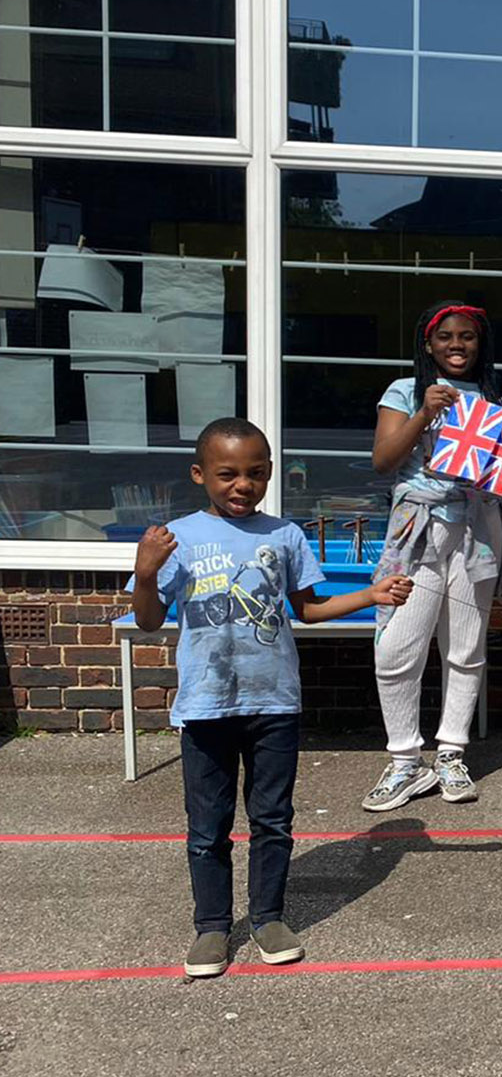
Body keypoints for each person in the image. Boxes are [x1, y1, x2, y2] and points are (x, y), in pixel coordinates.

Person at [129, 418, 412, 978]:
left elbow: (305, 610)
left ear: (269, 475)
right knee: (207, 827)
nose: (242, 485)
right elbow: (148, 620)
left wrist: (371, 595)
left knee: (273, 820)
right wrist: (144, 573)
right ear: (200, 475)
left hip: (274, 702)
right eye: (227, 474)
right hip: (207, 705)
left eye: (255, 474)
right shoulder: (178, 538)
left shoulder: (284, 535)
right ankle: (211, 927)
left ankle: (268, 917)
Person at [363, 302, 502, 812]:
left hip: (479, 531)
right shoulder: (405, 391)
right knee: (396, 645)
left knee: (465, 646)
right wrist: (424, 412)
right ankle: (405, 760)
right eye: (446, 337)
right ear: (428, 344)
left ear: (481, 345)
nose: (457, 345)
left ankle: (451, 752)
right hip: (417, 527)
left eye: (468, 337)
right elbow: (383, 460)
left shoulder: (498, 403)